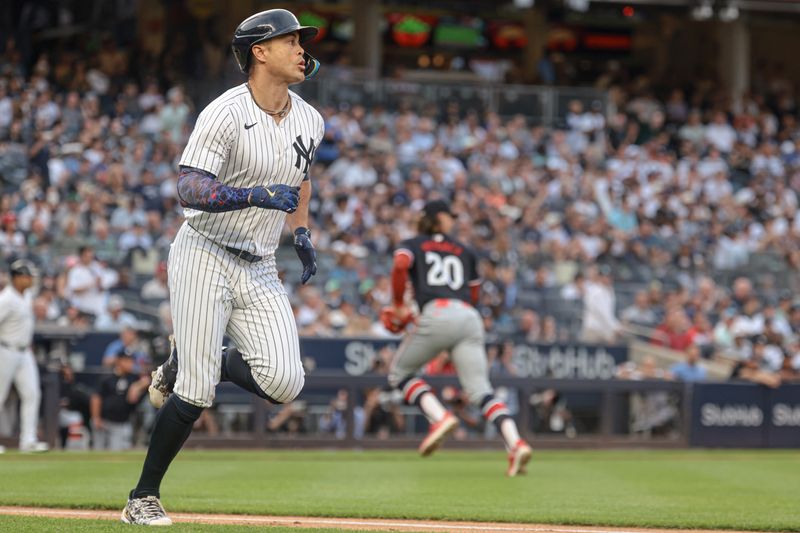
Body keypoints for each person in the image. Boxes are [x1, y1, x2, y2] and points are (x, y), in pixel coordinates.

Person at [121, 9, 324, 526]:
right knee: (195, 389)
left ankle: (195, 357)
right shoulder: (225, 112)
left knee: (285, 383)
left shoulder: (310, 118)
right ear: (259, 51)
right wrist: (253, 194)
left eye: (303, 42)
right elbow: (189, 187)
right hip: (203, 252)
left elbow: (301, 181)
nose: (303, 49)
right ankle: (142, 497)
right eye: (292, 41)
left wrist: (301, 231)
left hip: (257, 262)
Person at [381, 199, 532, 477]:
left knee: (399, 374)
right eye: (449, 215)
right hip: (468, 317)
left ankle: (439, 417)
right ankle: (515, 442)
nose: (452, 219)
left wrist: (399, 303)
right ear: (438, 218)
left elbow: (401, 264)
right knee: (481, 391)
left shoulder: (413, 243)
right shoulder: (465, 250)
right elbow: (474, 294)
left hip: (437, 312)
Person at [0, 260, 49, 453]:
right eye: (26, 276)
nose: (30, 280)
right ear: (16, 278)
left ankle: (27, 440)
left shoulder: (27, 295)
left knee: (32, 393)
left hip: (24, 352)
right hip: (5, 350)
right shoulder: (6, 299)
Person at [91, 353, 150, 450]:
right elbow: (96, 398)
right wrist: (96, 417)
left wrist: (136, 386)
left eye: (131, 361)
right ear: (119, 361)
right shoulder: (107, 377)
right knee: (99, 451)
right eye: (127, 361)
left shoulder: (133, 378)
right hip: (103, 421)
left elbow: (147, 382)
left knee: (117, 453)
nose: (130, 364)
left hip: (121, 422)